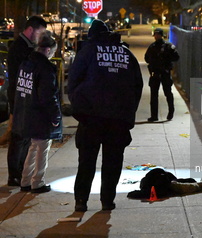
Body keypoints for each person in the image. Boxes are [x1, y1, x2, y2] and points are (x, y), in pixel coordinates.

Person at [68, 19, 143, 211]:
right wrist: (128, 111)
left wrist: (80, 108)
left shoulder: (88, 51)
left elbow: (73, 81)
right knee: (113, 162)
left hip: (91, 118)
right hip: (118, 119)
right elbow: (137, 85)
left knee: (86, 162)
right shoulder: (126, 53)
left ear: (92, 36)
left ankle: (81, 201)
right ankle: (107, 200)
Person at [12, 32, 62, 193]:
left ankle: (25, 180)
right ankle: (37, 182)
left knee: (33, 147)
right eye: (53, 52)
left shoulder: (26, 64)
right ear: (48, 50)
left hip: (27, 112)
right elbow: (48, 96)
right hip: (40, 115)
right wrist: (55, 117)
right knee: (42, 148)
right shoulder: (45, 69)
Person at [7, 16, 47, 186]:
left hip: (24, 97)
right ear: (31, 29)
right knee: (18, 136)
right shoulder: (20, 48)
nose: (40, 36)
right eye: (40, 32)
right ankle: (14, 175)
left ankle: (21, 172)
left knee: (25, 137)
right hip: (19, 97)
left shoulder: (27, 46)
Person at [144, 28, 179, 122]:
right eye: (155, 34)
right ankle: (154, 115)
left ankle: (171, 112)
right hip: (155, 73)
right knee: (154, 95)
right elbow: (146, 58)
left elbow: (176, 57)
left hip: (165, 73)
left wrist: (167, 58)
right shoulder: (152, 46)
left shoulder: (168, 46)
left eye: (157, 34)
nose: (156, 36)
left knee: (167, 93)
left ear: (161, 35)